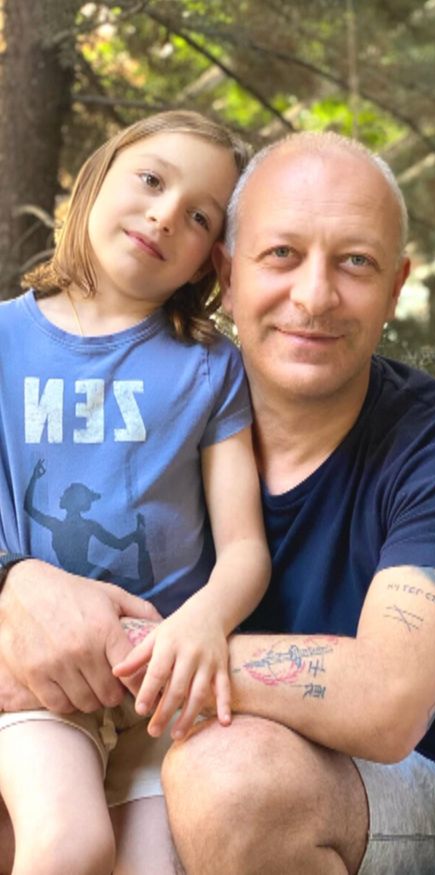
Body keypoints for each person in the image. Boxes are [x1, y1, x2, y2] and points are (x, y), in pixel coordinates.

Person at [144, 131, 435, 875]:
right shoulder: (149, 414)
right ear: (226, 273)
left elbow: (386, 701)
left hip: (403, 792)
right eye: (282, 254)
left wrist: (146, 660)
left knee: (231, 778)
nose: (315, 296)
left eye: (355, 262)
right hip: (167, 759)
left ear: (396, 287)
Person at [0, 110, 270, 875]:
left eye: (199, 216)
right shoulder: (5, 339)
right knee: (69, 843)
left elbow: (244, 547)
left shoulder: (209, 367)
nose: (165, 214)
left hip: (158, 685)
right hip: (44, 679)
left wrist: (206, 620)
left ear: (210, 261)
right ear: (96, 178)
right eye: (151, 180)